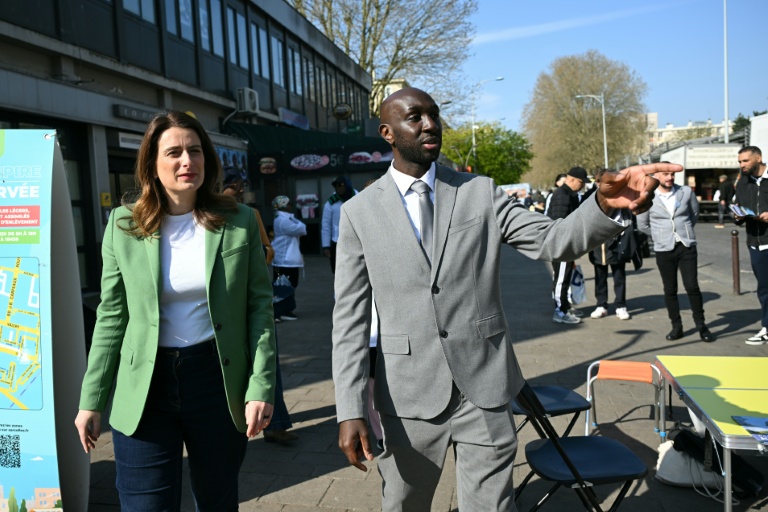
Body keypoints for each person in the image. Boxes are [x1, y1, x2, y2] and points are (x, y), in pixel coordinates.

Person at [331, 87, 680, 511]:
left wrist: (604, 206)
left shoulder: (480, 192)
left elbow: (553, 240)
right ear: (387, 132)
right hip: (408, 395)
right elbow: (349, 319)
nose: (430, 124)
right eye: (415, 117)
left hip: (486, 388)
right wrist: (350, 409)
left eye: (434, 115)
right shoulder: (359, 212)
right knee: (404, 503)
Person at [74, 110, 276, 510]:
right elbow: (111, 317)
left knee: (218, 500)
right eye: (174, 152)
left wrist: (261, 386)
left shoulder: (238, 221)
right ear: (152, 163)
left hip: (216, 379)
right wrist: (91, 398)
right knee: (145, 504)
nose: (187, 161)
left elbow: (259, 309)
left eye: (195, 151)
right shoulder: (123, 225)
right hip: (145, 385)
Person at [220, 172, 297, 444]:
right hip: (226, 307)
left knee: (265, 360)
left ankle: (274, 423)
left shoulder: (248, 215)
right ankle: (267, 422)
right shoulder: (209, 215)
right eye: (235, 188)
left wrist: (252, 256)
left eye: (240, 190)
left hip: (247, 301)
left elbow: (267, 250)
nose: (239, 194)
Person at [636, 169, 714, 342]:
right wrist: (660, 235)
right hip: (664, 249)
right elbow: (642, 225)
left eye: (672, 174)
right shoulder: (647, 196)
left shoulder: (685, 192)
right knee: (670, 289)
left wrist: (683, 231)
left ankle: (701, 325)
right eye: (665, 174)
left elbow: (694, 215)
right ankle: (676, 326)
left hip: (686, 246)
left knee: (692, 286)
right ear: (656, 176)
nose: (670, 177)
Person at [587, 169, 634, 321]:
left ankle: (621, 305)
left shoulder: (621, 196)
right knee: (599, 276)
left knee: (619, 276)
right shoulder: (590, 197)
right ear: (598, 182)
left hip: (617, 242)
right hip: (597, 243)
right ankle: (601, 305)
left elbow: (629, 217)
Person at [733, 146, 768, 345]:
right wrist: (737, 215)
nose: (742, 165)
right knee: (764, 288)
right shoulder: (743, 182)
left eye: (745, 161)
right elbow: (739, 206)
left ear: (758, 158)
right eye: (740, 161)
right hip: (755, 243)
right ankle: (766, 328)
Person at [547, 166, 589, 324]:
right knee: (560, 279)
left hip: (566, 244)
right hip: (562, 245)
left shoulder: (568, 194)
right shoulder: (563, 196)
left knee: (564, 278)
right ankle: (560, 310)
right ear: (571, 179)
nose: (582, 185)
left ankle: (564, 305)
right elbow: (559, 223)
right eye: (580, 182)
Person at [271, 195, 307, 321]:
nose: (291, 206)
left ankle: (286, 310)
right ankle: (277, 312)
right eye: (289, 204)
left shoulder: (284, 218)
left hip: (287, 259)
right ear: (283, 206)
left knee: (289, 285)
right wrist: (293, 218)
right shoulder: (282, 220)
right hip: (284, 260)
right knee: (282, 286)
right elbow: (302, 228)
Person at [321, 175, 356, 273]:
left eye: (340, 185)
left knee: (355, 269)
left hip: (355, 240)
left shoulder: (357, 197)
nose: (338, 188)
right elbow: (326, 225)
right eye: (335, 186)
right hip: (337, 242)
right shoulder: (331, 203)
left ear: (347, 185)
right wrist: (326, 246)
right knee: (338, 270)